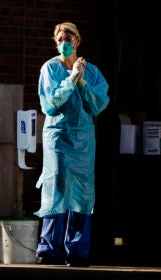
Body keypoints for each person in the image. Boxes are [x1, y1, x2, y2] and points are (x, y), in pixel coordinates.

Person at [33, 22, 110, 267]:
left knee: (82, 194)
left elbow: (99, 104)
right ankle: (48, 249)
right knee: (56, 188)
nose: (63, 42)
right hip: (58, 137)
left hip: (83, 141)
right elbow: (51, 103)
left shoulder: (93, 71)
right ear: (54, 42)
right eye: (59, 38)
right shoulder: (51, 68)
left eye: (68, 38)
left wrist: (82, 81)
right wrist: (72, 78)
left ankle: (77, 251)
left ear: (78, 40)